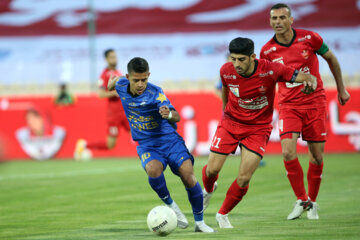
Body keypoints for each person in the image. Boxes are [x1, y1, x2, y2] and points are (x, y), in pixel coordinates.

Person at [201, 37, 318, 228]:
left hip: (257, 128)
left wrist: (310, 80)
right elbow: (226, 91)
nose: (236, 64)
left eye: (241, 59)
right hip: (231, 123)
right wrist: (225, 116)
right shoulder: (225, 71)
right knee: (212, 169)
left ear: (253, 57)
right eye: (233, 59)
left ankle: (222, 214)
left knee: (244, 177)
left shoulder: (271, 69)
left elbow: (300, 76)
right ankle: (208, 189)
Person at [260, 3, 350, 220]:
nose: (278, 22)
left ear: (291, 20)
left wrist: (341, 88)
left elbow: (332, 59)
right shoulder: (267, 51)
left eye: (282, 18)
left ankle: (314, 202)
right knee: (288, 152)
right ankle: (302, 200)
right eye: (274, 18)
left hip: (315, 104)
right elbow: (267, 81)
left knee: (317, 157)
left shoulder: (311, 38)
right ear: (270, 21)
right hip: (289, 106)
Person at [107, 57, 215, 233]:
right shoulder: (121, 84)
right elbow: (113, 83)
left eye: (144, 79)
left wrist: (169, 115)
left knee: (188, 176)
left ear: (148, 76)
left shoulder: (156, 93)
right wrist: (112, 82)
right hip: (147, 144)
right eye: (136, 80)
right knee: (153, 170)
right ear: (128, 77)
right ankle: (173, 207)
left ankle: (200, 223)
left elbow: (176, 116)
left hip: (169, 140)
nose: (141, 84)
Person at [74, 49, 130, 159]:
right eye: (112, 57)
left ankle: (149, 157)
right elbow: (100, 94)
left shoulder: (118, 72)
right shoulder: (105, 75)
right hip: (114, 114)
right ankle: (84, 145)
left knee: (138, 134)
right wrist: (115, 92)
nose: (114, 59)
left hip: (125, 111)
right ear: (106, 59)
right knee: (110, 145)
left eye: (115, 56)